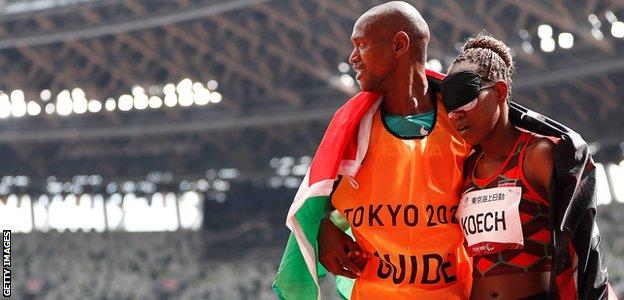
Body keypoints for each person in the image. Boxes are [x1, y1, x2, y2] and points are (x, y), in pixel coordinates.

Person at [274, 2, 472, 299]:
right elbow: (315, 200)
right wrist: (323, 227)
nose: (353, 58)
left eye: (361, 45)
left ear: (399, 44)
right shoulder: (349, 129)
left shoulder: (465, 123)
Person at [441, 33, 611, 299]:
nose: (457, 114)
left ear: (499, 91)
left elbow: (581, 239)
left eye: (467, 99)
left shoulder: (537, 155)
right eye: (450, 107)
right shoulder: (466, 168)